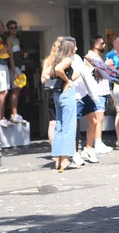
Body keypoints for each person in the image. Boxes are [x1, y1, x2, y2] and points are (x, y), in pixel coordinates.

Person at [50, 36, 81, 171]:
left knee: (60, 127)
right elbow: (58, 70)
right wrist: (67, 82)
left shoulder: (57, 57)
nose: (77, 48)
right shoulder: (67, 59)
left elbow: (64, 74)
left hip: (57, 95)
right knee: (69, 127)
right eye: (75, 46)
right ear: (70, 47)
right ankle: (65, 160)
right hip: (66, 95)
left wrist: (70, 78)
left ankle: (58, 159)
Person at [85, 36, 112, 154]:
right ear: (95, 44)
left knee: (100, 117)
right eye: (102, 43)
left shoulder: (98, 57)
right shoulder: (89, 57)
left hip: (103, 90)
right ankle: (97, 142)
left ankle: (98, 141)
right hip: (97, 91)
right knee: (98, 118)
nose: (104, 45)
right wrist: (106, 65)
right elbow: (94, 73)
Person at [41, 37, 62, 146]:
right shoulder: (53, 61)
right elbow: (43, 78)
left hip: (52, 92)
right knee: (56, 122)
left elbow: (43, 79)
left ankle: (55, 150)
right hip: (57, 92)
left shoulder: (48, 61)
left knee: (53, 122)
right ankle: (59, 150)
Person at [5, 20, 26, 124]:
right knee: (15, 90)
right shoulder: (9, 40)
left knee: (18, 90)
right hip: (14, 67)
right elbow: (11, 56)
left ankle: (15, 113)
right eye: (11, 28)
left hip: (19, 66)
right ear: (8, 29)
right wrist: (13, 70)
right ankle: (14, 114)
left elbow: (18, 53)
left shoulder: (17, 39)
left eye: (15, 27)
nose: (14, 29)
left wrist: (23, 54)